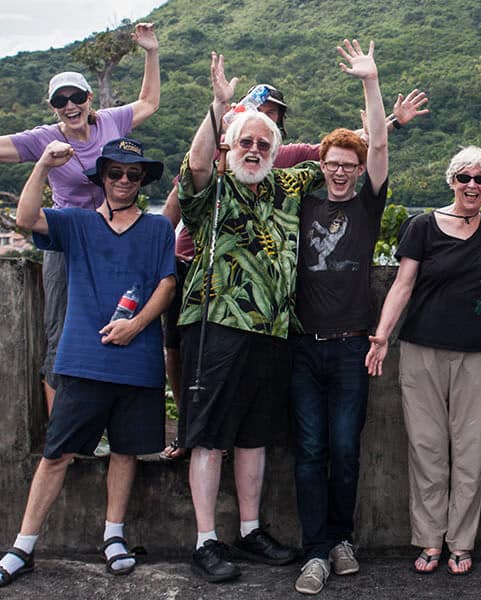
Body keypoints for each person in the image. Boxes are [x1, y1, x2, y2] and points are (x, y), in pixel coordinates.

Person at [158, 81, 430, 461]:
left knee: (258, 419)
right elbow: (183, 189)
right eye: (255, 111)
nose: (261, 125)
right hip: (196, 269)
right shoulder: (221, 151)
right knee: (177, 350)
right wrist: (154, 250)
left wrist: (393, 124)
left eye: (271, 115)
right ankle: (186, 431)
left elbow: (347, 150)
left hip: (268, 310)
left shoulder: (292, 160)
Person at [0, 137, 175, 589]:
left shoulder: (157, 229)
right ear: (101, 177)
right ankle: (23, 546)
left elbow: (166, 283)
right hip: (84, 361)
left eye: (133, 174)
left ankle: (113, 535)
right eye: (115, 173)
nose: (124, 181)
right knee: (56, 454)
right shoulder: (78, 224)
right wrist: (43, 165)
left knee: (126, 453)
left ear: (142, 180)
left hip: (138, 362)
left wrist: (137, 325)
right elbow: (26, 218)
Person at [175, 51, 332, 583]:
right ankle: (204, 541)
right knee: (209, 436)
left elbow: (346, 159)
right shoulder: (213, 191)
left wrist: (385, 116)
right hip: (216, 324)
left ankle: (247, 530)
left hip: (274, 330)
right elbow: (196, 167)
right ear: (230, 144)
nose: (255, 149)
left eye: (265, 143)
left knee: (255, 437)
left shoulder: (288, 187)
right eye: (246, 141)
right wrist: (219, 108)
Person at [0, 24, 161, 411]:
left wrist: (151, 51)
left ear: (89, 97)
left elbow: (148, 102)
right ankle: (61, 431)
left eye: (76, 96)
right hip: (66, 242)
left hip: (115, 237)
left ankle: (105, 420)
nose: (70, 105)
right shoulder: (44, 139)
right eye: (60, 100)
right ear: (52, 106)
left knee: (119, 320)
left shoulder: (111, 122)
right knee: (61, 328)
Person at [365, 146, 481, 577]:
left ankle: (460, 542)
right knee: (426, 449)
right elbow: (403, 284)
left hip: (479, 354)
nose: (472, 186)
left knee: (469, 451)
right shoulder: (422, 226)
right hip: (422, 350)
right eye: (464, 177)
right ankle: (429, 539)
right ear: (451, 180)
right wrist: (383, 335)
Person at [289, 40, 392, 596]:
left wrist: (370, 82)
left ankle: (340, 539)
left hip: (353, 347)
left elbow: (378, 140)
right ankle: (314, 552)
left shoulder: (366, 204)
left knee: (346, 449)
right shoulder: (304, 203)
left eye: (348, 167)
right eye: (332, 165)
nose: (341, 173)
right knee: (308, 451)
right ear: (321, 166)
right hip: (303, 346)